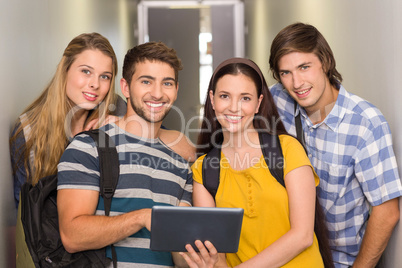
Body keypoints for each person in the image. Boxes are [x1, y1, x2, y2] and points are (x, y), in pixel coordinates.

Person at [268, 22, 402, 267]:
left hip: (337, 260)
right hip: (284, 255)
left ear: (325, 62)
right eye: (286, 73)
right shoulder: (278, 99)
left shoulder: (365, 123)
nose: (296, 83)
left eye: (304, 67)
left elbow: (387, 211)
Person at [57, 41, 195, 267]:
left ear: (176, 90)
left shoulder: (181, 165)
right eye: (146, 81)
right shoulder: (88, 147)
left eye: (167, 83)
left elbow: (177, 256)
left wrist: (200, 259)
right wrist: (141, 218)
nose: (158, 93)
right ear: (125, 87)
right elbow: (72, 236)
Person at [181, 58, 325, 267]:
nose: (233, 107)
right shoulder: (203, 170)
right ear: (212, 100)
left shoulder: (288, 149)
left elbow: (302, 236)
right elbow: (217, 254)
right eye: (224, 96)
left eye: (245, 98)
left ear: (258, 103)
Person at [9, 32, 125, 210]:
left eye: (105, 76)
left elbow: (170, 145)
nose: (95, 84)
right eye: (86, 71)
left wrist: (126, 125)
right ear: (65, 69)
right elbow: (26, 212)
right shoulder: (29, 130)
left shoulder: (116, 108)